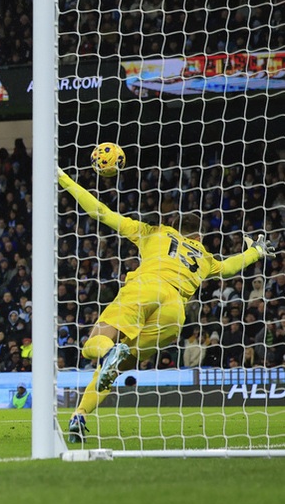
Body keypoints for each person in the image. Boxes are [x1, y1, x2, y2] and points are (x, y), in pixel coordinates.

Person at [57, 166, 268, 442]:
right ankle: (80, 416)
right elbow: (229, 268)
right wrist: (256, 251)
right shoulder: (204, 256)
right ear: (198, 236)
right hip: (174, 313)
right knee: (115, 368)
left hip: (147, 288)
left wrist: (62, 177)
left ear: (176, 227)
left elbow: (101, 212)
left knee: (91, 347)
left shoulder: (155, 232)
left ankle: (109, 352)